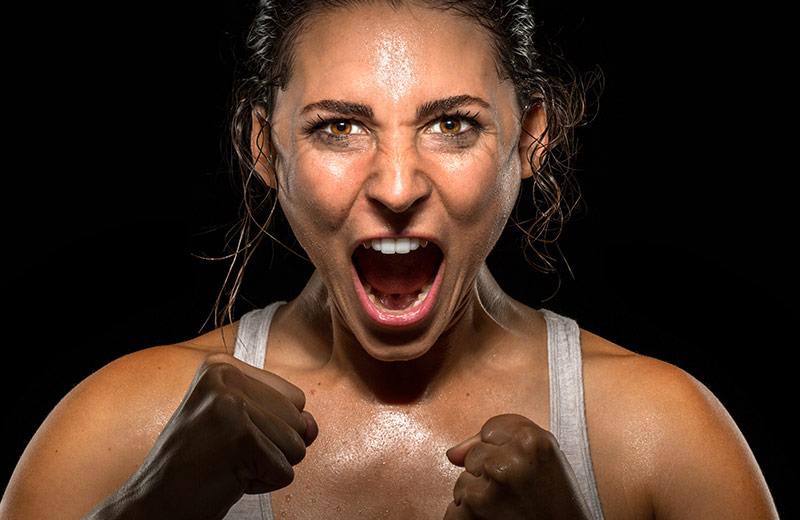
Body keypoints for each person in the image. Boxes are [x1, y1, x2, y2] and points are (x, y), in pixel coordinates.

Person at [0, 1, 779, 519]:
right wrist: (152, 503)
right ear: (264, 147)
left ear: (532, 134)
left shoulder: (660, 436)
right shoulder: (116, 427)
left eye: (452, 125)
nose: (399, 185)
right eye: (339, 127)